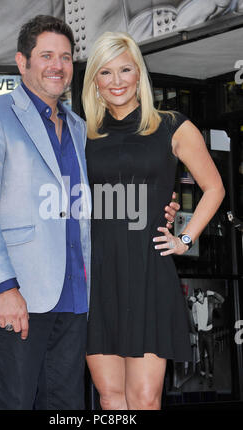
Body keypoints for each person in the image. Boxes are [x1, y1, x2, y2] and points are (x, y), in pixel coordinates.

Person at [0, 16, 178, 410]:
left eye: (65, 57)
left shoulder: (81, 128)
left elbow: (100, 200)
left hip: (79, 303)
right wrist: (3, 287)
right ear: (22, 61)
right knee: (13, 403)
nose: (57, 65)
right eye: (46, 55)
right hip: (20, 297)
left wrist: (161, 206)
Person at [82, 31, 225, 410]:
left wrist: (185, 239)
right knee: (111, 397)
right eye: (106, 72)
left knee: (145, 398)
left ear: (139, 74)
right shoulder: (83, 134)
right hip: (98, 275)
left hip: (148, 271)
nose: (117, 81)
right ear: (94, 80)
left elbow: (214, 188)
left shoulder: (171, 125)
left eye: (125, 69)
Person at [189, 288, 225, 388]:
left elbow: (222, 300)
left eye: (200, 296)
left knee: (210, 356)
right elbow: (189, 304)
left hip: (209, 333)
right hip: (200, 334)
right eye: (197, 297)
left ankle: (211, 377)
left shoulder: (209, 301)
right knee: (201, 356)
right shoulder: (195, 304)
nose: (199, 299)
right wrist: (189, 299)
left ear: (203, 293)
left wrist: (213, 293)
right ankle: (203, 375)